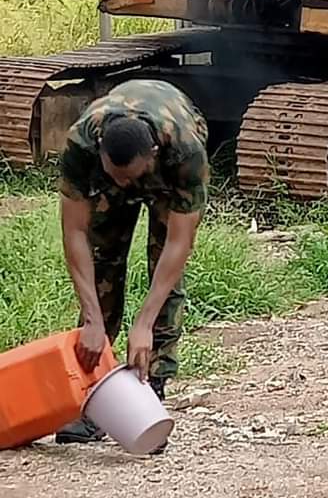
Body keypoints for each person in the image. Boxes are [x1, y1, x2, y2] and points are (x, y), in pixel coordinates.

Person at [55, 78, 209, 446]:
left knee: (164, 275)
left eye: (129, 176)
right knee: (102, 261)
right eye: (114, 174)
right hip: (119, 157)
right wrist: (92, 320)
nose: (123, 185)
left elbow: (179, 242)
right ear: (101, 152)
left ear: (153, 155)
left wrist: (144, 324)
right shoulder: (82, 145)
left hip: (168, 171)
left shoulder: (185, 152)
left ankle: (150, 394)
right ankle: (96, 397)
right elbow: (75, 233)